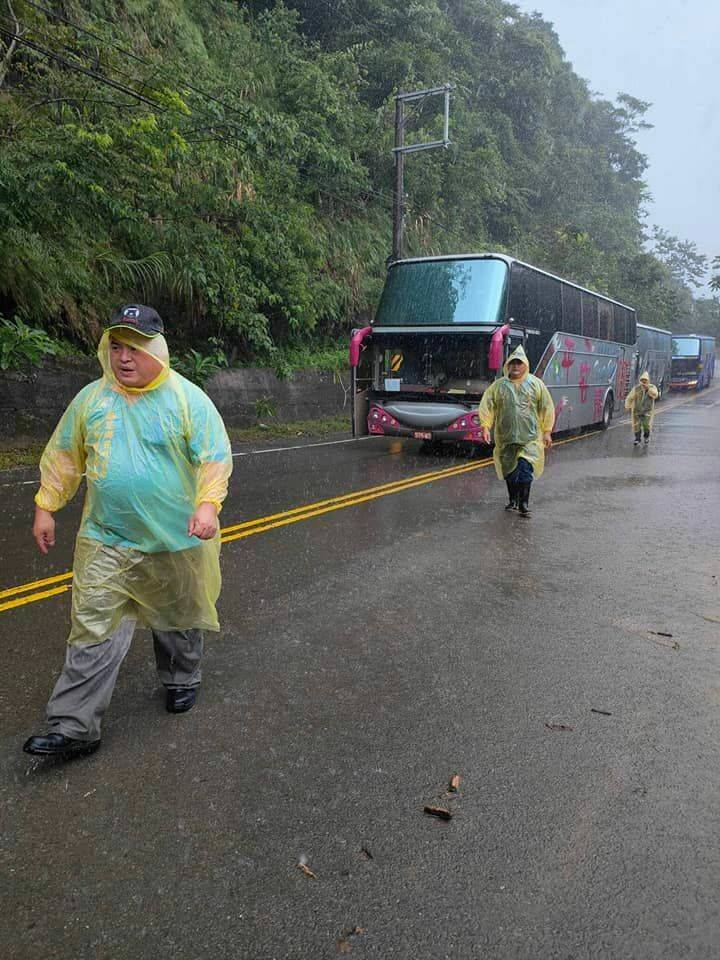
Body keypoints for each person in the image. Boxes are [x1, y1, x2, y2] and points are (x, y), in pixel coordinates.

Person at [23, 304, 233, 759]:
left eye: (134, 347)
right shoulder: (92, 400)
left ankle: (181, 679)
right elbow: (64, 454)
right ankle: (74, 725)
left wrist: (206, 505)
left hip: (175, 537)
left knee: (177, 618)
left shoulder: (186, 399)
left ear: (157, 348)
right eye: (116, 346)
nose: (123, 357)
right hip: (106, 539)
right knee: (92, 626)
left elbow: (213, 455)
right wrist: (46, 506)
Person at [478, 344, 554, 518]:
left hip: (530, 439)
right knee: (510, 473)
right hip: (506, 438)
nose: (516, 367)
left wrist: (547, 431)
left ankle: (524, 504)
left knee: (525, 469)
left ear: (525, 365)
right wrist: (485, 426)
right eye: (513, 363)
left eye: (519, 363)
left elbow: (546, 407)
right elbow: (487, 406)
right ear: (508, 365)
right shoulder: (498, 387)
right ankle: (513, 499)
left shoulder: (536, 384)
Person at [625, 372, 658, 446]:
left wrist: (648, 389)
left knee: (646, 425)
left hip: (647, 411)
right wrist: (627, 406)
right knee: (636, 426)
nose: (644, 382)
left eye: (645, 380)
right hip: (637, 411)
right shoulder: (636, 389)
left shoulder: (652, 387)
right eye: (642, 380)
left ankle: (646, 437)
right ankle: (637, 439)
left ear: (648, 381)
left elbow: (655, 395)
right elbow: (630, 398)